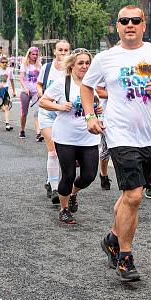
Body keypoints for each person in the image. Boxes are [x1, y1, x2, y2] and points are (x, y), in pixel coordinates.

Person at [81, 5, 151, 282]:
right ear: (117, 26)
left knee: (129, 196)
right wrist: (90, 115)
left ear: (144, 25)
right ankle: (125, 256)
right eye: (124, 21)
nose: (130, 25)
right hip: (120, 135)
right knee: (134, 196)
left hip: (150, 135)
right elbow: (86, 87)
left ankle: (112, 238)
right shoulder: (106, 58)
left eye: (135, 20)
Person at [40, 49, 100, 225]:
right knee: (68, 174)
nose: (84, 66)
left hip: (89, 136)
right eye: (80, 63)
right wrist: (59, 107)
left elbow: (97, 104)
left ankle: (73, 193)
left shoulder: (93, 83)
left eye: (87, 63)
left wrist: (98, 110)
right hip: (66, 137)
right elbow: (44, 101)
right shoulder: (62, 83)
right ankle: (64, 209)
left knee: (89, 175)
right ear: (73, 64)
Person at [36, 40, 71, 203]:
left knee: (65, 153)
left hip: (64, 115)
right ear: (54, 52)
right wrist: (40, 93)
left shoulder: (71, 70)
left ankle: (51, 180)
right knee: (53, 151)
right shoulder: (47, 68)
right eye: (60, 50)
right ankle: (56, 188)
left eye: (66, 50)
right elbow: (39, 84)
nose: (63, 53)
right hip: (48, 113)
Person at [18, 47, 42, 139]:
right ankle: (22, 130)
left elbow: (41, 79)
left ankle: (38, 132)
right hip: (26, 91)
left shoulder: (39, 64)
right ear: (29, 54)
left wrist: (40, 89)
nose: (35, 56)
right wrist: (25, 88)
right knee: (24, 112)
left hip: (36, 91)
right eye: (33, 54)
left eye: (36, 54)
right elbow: (21, 78)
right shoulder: (24, 64)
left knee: (37, 111)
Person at [0, 56, 15, 131]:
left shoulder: (9, 70)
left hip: (6, 90)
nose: (4, 64)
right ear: (0, 63)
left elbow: (11, 80)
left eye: (6, 62)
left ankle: (7, 124)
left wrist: (14, 91)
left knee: (6, 107)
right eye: (3, 62)